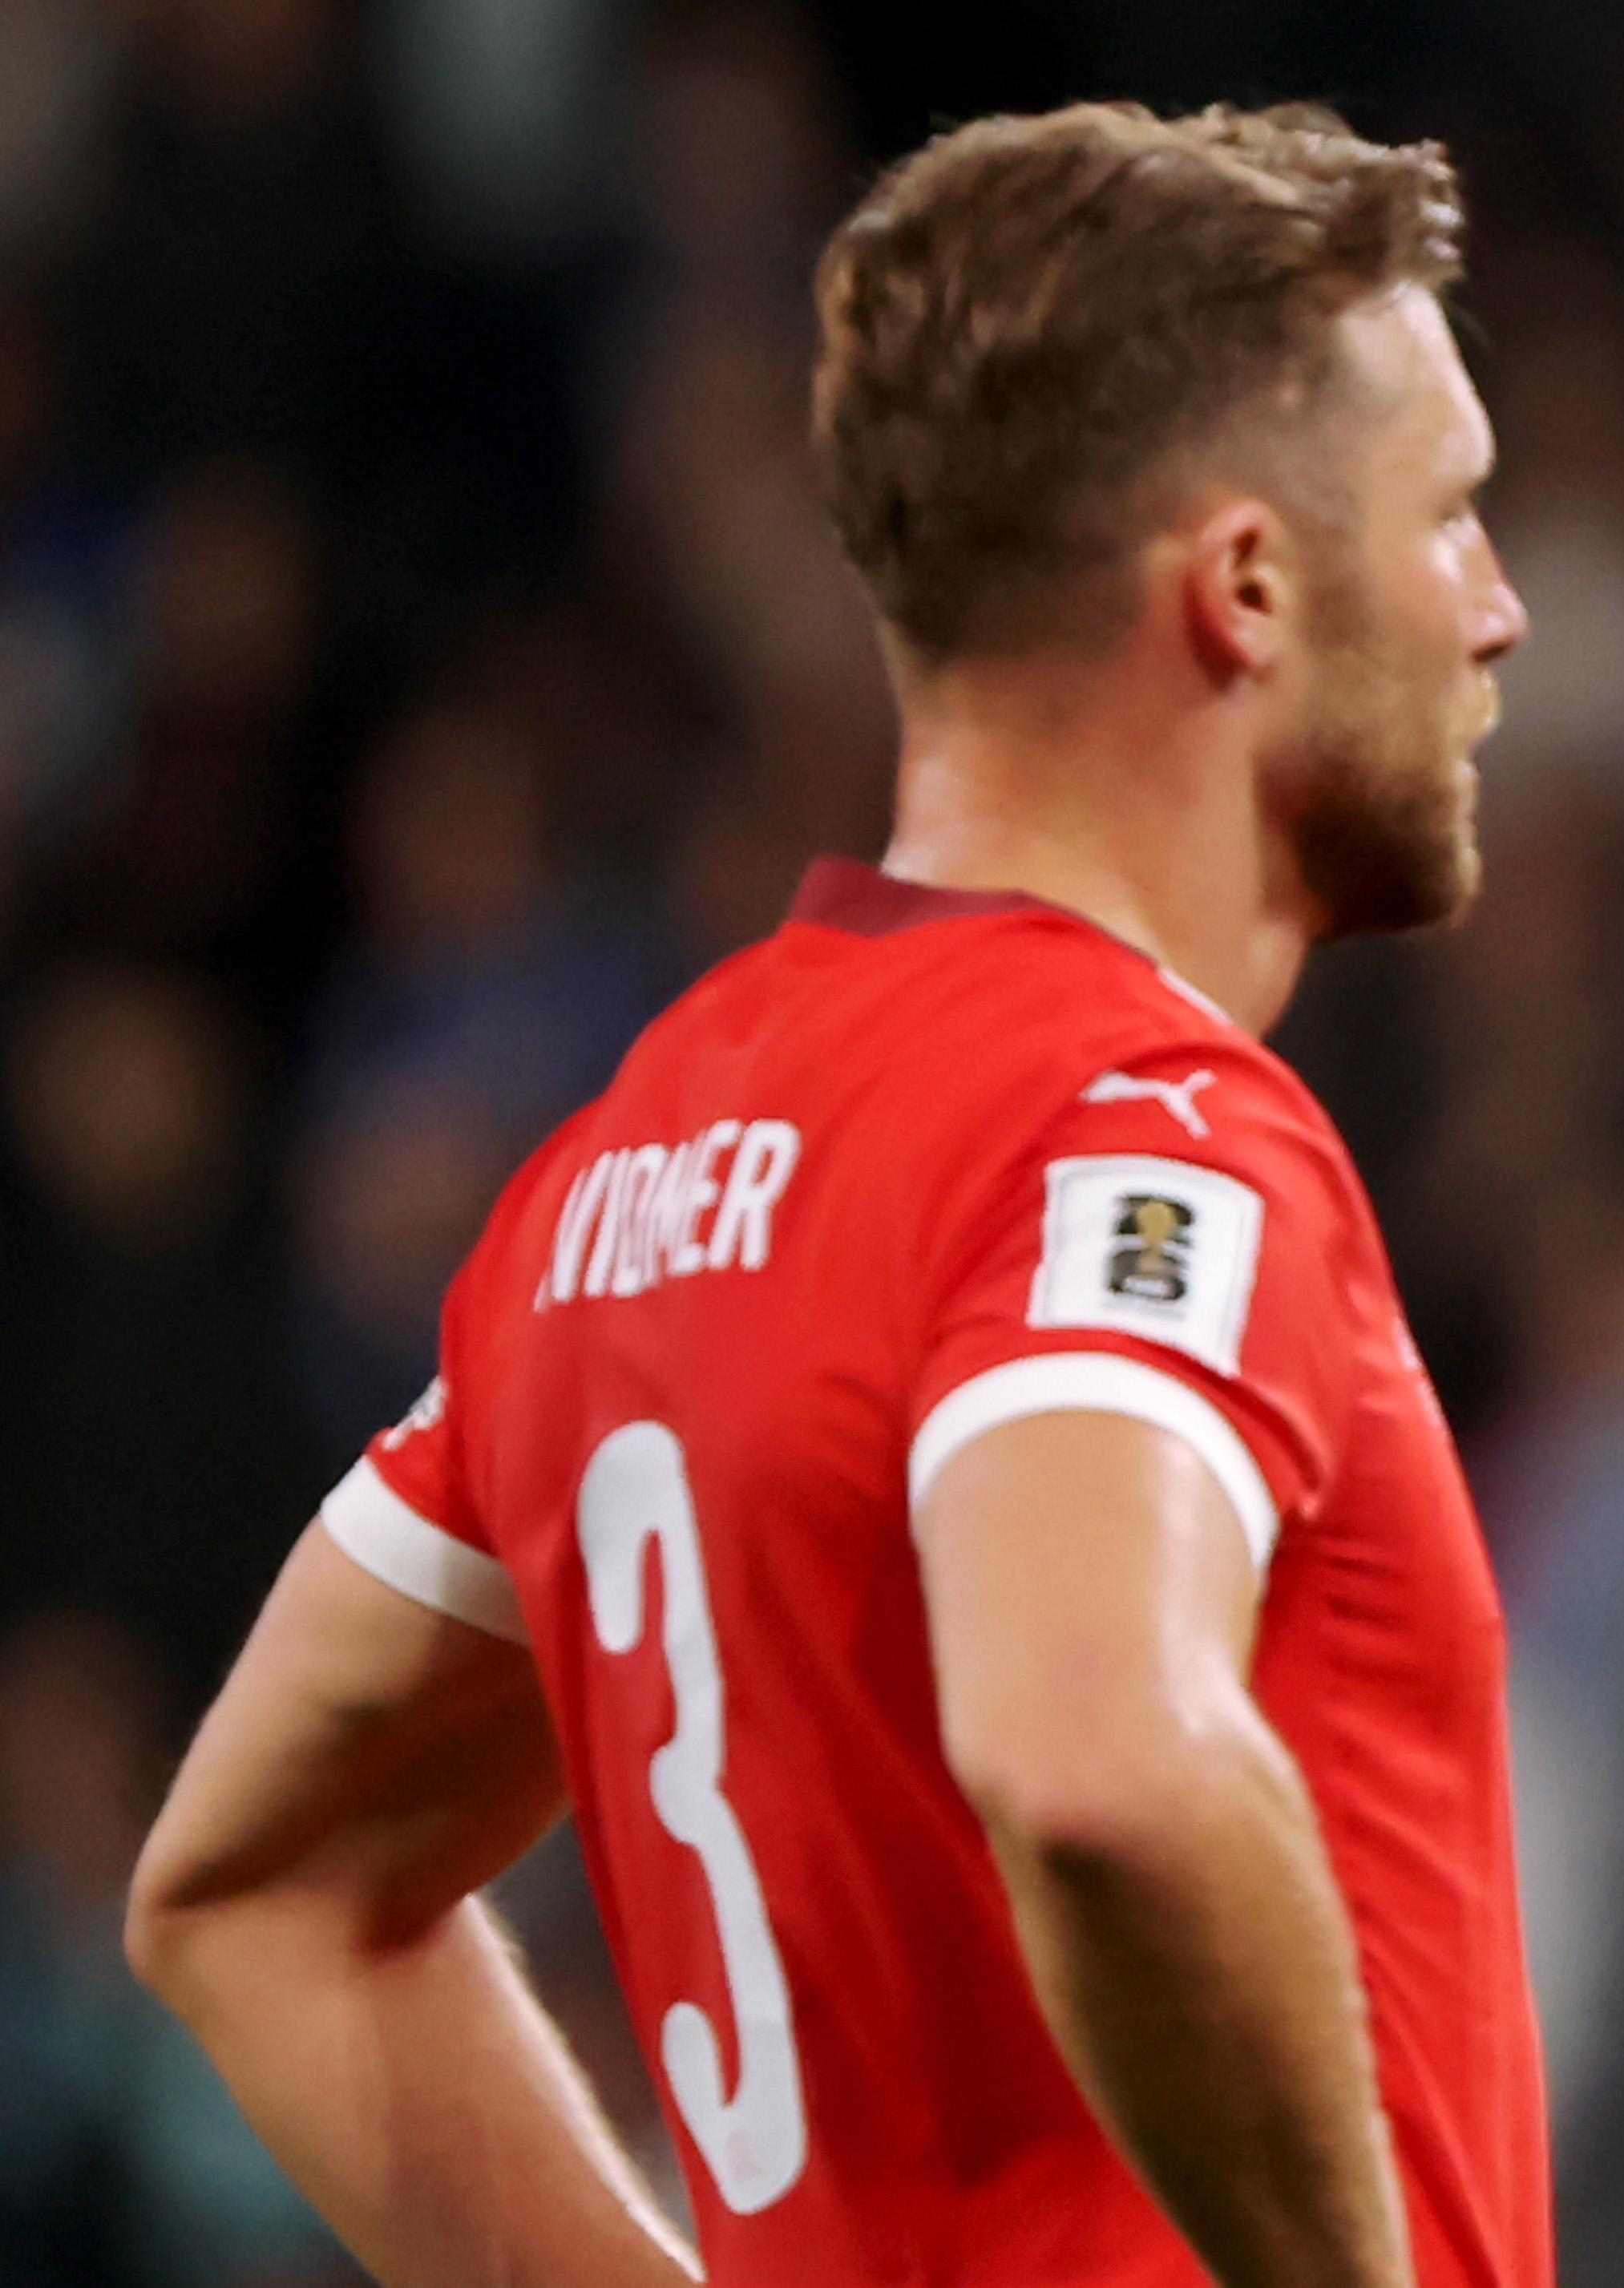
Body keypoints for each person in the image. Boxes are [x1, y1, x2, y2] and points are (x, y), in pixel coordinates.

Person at [121, 102, 1545, 2288]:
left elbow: (249, 1893)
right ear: (1246, 587)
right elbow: (1099, 1765)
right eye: (1447, 518)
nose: (1498, 609)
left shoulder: (615, 1182)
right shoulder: (1135, 1125)